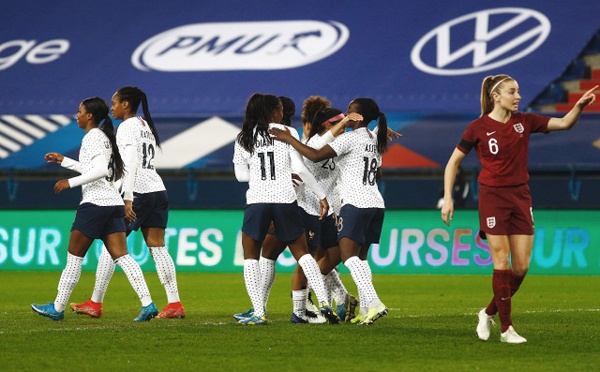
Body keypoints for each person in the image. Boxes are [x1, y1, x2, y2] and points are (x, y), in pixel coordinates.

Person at [440, 75, 598, 343]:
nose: (518, 96)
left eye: (519, 92)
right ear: (496, 96)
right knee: (501, 262)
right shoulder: (477, 127)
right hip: (492, 198)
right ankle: (506, 329)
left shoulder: (524, 121)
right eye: (513, 92)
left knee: (521, 267)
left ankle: (487, 312)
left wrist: (579, 106)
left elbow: (564, 123)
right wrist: (448, 197)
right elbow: (453, 162)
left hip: (521, 197)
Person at [31, 97, 158, 322]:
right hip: (113, 204)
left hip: (95, 205)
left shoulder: (93, 137)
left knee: (74, 258)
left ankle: (57, 307)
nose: (77, 115)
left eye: (80, 111)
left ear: (90, 116)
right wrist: (65, 161)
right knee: (123, 257)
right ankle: (148, 304)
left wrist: (69, 182)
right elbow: (101, 170)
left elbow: (99, 171)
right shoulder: (104, 138)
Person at [269, 97, 390, 325]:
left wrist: (287, 138)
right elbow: (377, 170)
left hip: (353, 203)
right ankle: (364, 308)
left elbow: (313, 155)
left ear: (358, 116)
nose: (346, 116)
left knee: (347, 256)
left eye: (349, 112)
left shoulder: (349, 139)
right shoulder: (375, 139)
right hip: (375, 203)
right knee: (360, 259)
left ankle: (372, 302)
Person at [70, 86, 185, 319]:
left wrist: (128, 197)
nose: (111, 107)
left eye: (114, 102)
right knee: (158, 247)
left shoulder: (125, 128)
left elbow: (131, 164)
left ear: (125, 105)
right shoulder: (144, 126)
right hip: (158, 190)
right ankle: (174, 304)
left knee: (113, 247)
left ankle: (96, 302)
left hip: (139, 192)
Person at [232, 93, 339, 325]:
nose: (283, 113)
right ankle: (324, 304)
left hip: (258, 200)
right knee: (303, 254)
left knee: (252, 258)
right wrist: (322, 195)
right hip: (285, 200)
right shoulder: (288, 133)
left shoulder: (243, 137)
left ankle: (259, 312)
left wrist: (260, 176)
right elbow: (300, 169)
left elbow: (240, 176)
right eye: (280, 109)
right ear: (273, 112)